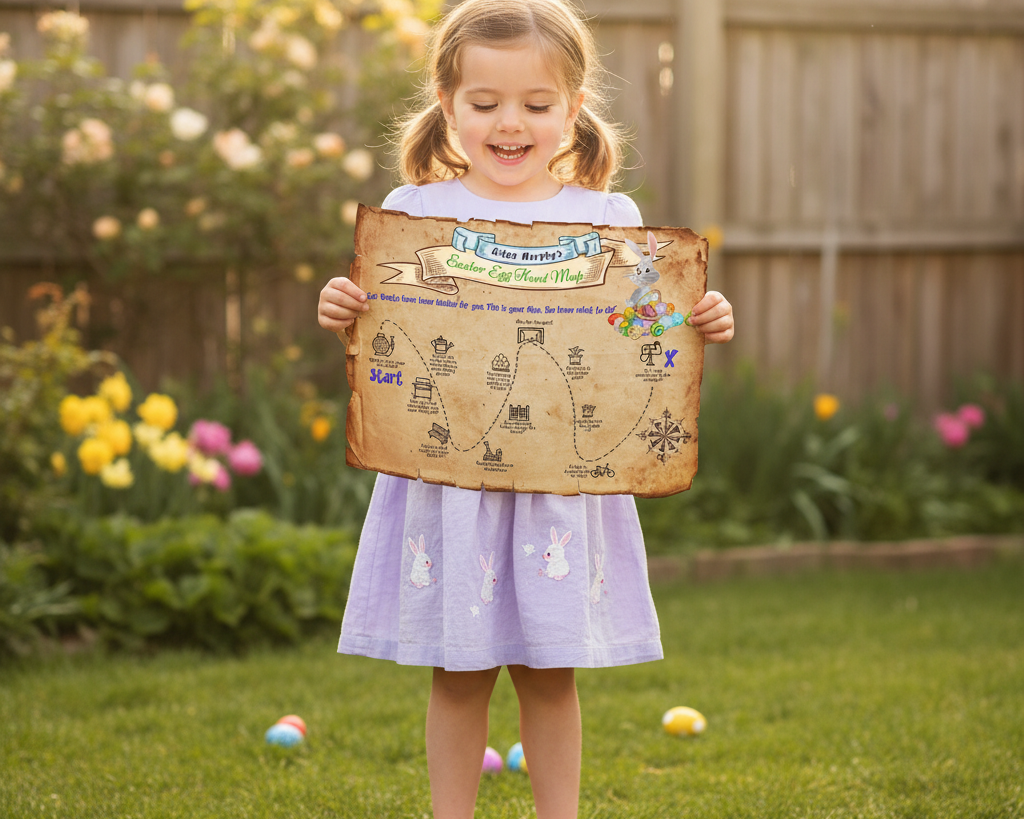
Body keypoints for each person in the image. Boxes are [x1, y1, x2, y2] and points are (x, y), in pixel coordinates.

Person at [318, 1, 734, 816]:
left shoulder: (607, 218)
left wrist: (700, 315)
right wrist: (343, 305)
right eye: (485, 103)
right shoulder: (416, 212)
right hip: (455, 486)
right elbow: (388, 323)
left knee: (550, 670)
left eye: (536, 106)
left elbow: (640, 328)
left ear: (573, 110)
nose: (510, 124)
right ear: (448, 104)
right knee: (459, 668)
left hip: (558, 490)